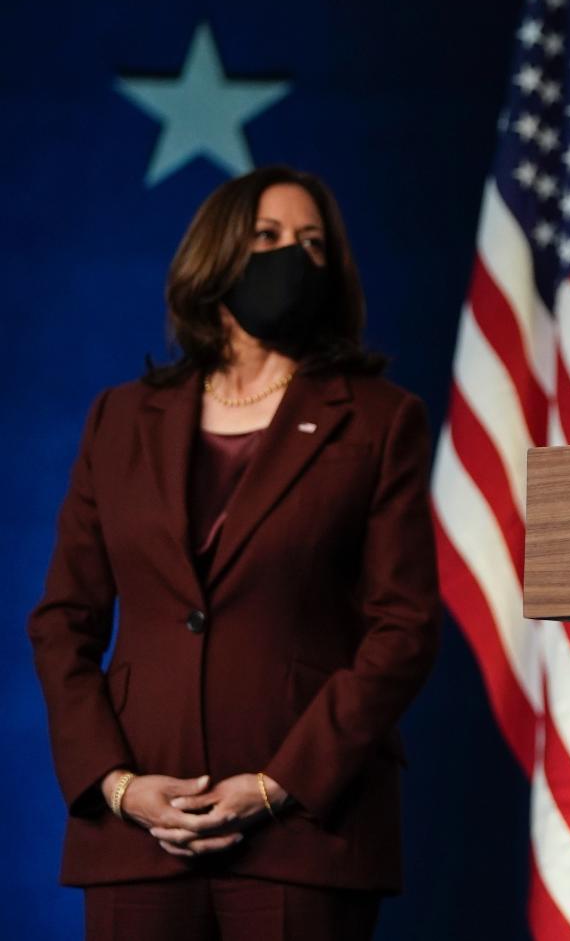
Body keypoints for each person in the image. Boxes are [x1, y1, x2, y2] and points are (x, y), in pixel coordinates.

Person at [29, 165, 441, 941]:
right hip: (137, 835)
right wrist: (116, 784)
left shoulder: (381, 420)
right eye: (268, 236)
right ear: (216, 253)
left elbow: (405, 627)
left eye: (313, 243)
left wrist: (279, 783)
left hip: (304, 833)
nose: (294, 256)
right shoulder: (120, 418)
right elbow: (62, 621)